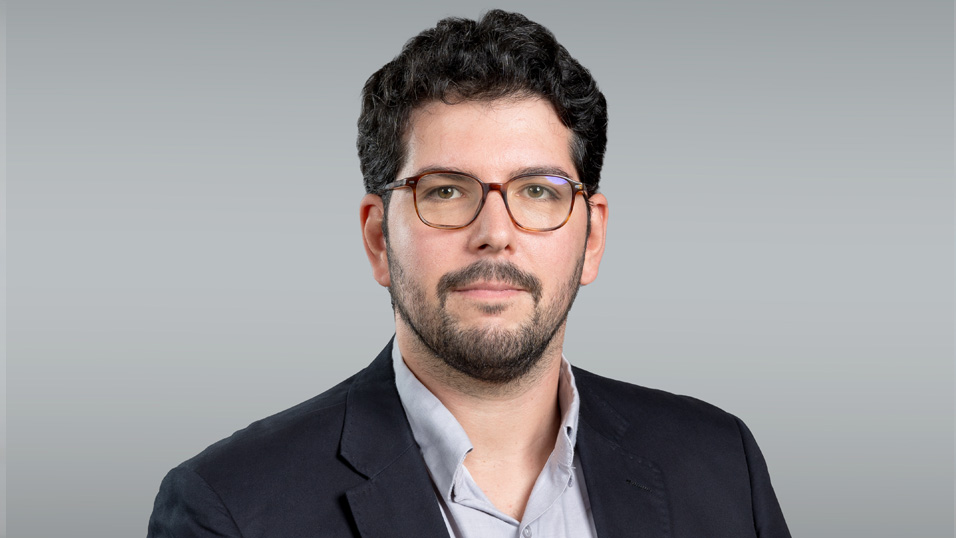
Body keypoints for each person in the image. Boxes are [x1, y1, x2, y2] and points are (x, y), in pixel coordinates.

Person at [147, 9, 790, 538]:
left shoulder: (720, 463)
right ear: (378, 238)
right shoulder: (229, 509)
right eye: (447, 191)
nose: (495, 232)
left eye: (537, 191)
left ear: (591, 238)